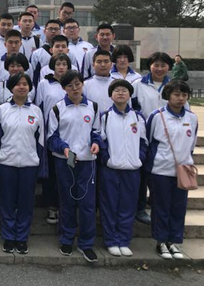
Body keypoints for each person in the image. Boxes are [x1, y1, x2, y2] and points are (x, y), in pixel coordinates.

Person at [46, 70, 103, 263]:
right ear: (64, 88)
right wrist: (64, 148)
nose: (75, 88)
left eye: (78, 84)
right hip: (65, 161)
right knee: (67, 201)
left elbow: (96, 132)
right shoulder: (57, 109)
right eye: (70, 86)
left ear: (82, 84)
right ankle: (66, 239)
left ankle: (86, 244)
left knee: (87, 204)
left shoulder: (93, 107)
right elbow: (52, 137)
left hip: (87, 161)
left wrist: (96, 143)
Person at [146, 80, 198, 260]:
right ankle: (161, 241)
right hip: (160, 169)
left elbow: (191, 144)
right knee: (161, 207)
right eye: (176, 94)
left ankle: (174, 241)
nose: (180, 98)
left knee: (178, 207)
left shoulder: (192, 118)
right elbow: (149, 141)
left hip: (183, 171)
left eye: (184, 95)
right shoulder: (156, 116)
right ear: (168, 95)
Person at [0, 73, 45, 254]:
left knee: (25, 203)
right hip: (6, 163)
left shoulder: (36, 111)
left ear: (30, 87)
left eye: (25, 84)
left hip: (29, 164)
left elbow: (41, 141)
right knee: (7, 203)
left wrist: (41, 165)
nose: (21, 87)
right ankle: (9, 237)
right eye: (18, 84)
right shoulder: (1, 110)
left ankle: (22, 238)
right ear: (11, 88)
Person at [98, 79, 147, 257]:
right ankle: (111, 241)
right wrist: (106, 159)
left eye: (124, 91)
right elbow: (101, 141)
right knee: (109, 205)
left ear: (130, 95)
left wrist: (139, 158)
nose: (120, 93)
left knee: (128, 206)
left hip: (132, 170)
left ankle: (124, 240)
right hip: (110, 169)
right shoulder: (105, 117)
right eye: (117, 90)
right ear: (111, 95)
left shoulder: (138, 117)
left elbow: (143, 142)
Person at [131, 52, 174, 225]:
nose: (159, 68)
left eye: (163, 65)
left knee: (159, 175)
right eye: (156, 65)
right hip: (142, 136)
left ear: (169, 67)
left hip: (165, 139)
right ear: (150, 66)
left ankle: (157, 206)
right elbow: (131, 109)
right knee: (143, 174)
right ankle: (140, 207)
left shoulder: (173, 86)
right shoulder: (138, 84)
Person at [35, 53, 71, 225]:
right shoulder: (44, 84)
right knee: (51, 173)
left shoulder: (73, 84)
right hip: (50, 134)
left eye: (64, 64)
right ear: (52, 66)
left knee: (68, 172)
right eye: (58, 64)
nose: (61, 67)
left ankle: (66, 207)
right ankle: (51, 206)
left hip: (70, 135)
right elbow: (39, 106)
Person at [30, 19, 62, 85]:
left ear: (60, 31)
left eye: (56, 29)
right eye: (50, 29)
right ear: (44, 31)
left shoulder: (67, 52)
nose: (53, 31)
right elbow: (33, 75)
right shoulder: (37, 54)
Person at [82, 49, 115, 114]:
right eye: (99, 62)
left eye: (106, 61)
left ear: (111, 64)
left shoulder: (118, 84)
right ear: (93, 65)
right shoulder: (85, 85)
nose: (103, 65)